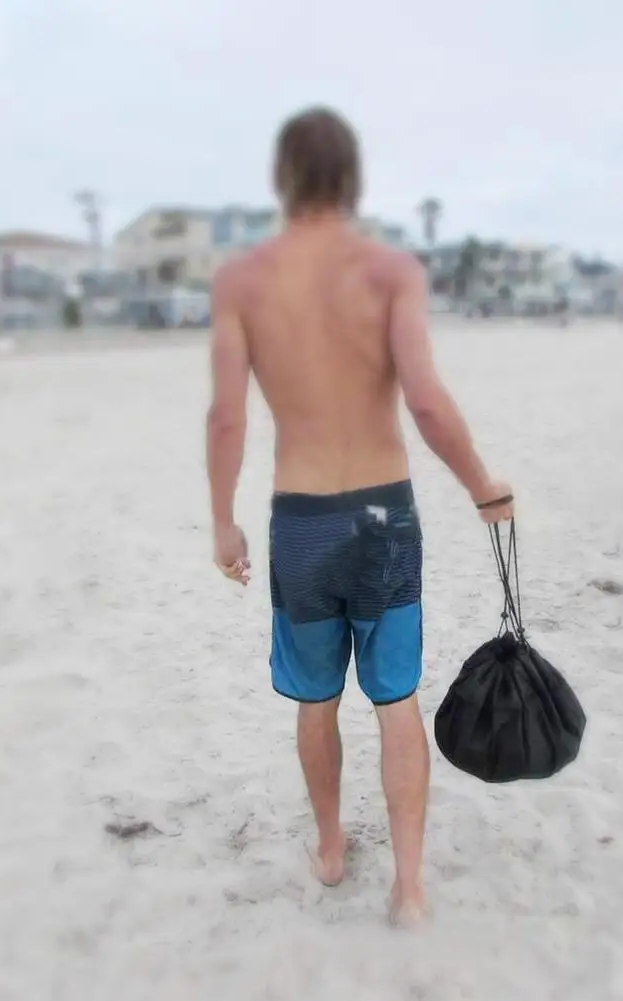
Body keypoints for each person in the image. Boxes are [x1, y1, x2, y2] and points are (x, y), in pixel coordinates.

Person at [204, 106, 514, 926]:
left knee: (314, 697)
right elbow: (426, 401)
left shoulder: (242, 281)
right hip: (383, 516)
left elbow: (226, 418)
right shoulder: (388, 272)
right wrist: (482, 487)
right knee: (394, 697)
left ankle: (332, 846)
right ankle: (409, 887)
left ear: (282, 177)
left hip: (301, 522)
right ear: (350, 178)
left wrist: (223, 523)